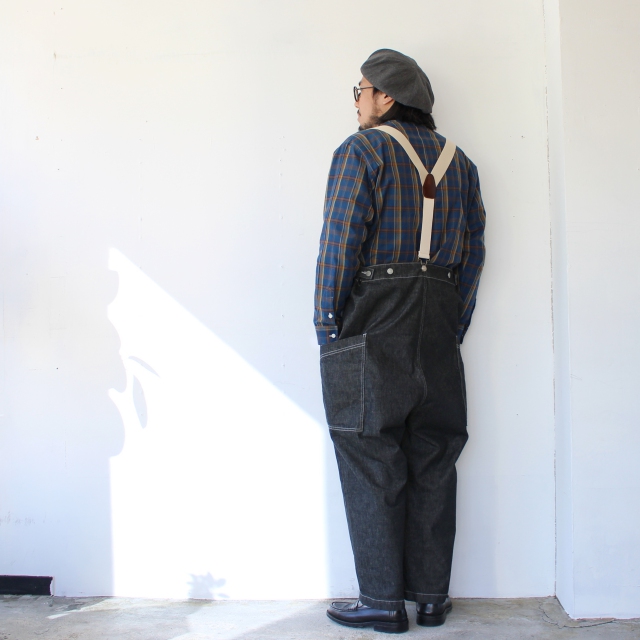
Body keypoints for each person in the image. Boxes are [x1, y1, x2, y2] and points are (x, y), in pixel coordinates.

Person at [314, 49, 486, 633]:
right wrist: (453, 322)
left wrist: (327, 324)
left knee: (368, 451)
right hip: (438, 315)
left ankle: (383, 602)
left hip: (374, 315)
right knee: (435, 453)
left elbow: (340, 241)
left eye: (360, 89)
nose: (357, 100)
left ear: (385, 96)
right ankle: (431, 599)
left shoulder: (361, 151)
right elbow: (473, 253)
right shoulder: (462, 165)